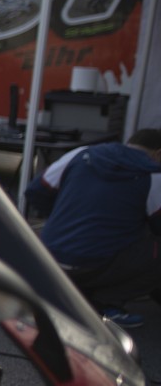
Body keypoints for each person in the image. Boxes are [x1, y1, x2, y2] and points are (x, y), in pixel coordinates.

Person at [26, 128, 161, 329]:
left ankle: (69, 292)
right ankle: (107, 303)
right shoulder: (154, 175)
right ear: (159, 153)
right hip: (99, 261)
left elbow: (36, 191)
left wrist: (63, 213)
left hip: (50, 256)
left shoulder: (80, 154)